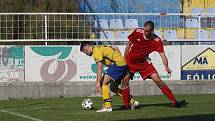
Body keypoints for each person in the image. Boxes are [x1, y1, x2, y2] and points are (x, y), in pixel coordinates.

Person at [124, 21, 186, 108]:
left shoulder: (157, 41)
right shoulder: (137, 32)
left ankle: (175, 102)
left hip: (143, 63)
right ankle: (126, 105)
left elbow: (162, 55)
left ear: (152, 30)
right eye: (145, 30)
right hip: (131, 61)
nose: (145, 33)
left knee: (157, 80)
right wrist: (125, 58)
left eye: (148, 31)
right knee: (125, 81)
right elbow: (129, 44)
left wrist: (166, 66)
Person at [80, 42, 135, 112]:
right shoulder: (100, 48)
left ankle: (107, 106)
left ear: (86, 48)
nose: (87, 54)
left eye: (85, 52)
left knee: (103, 83)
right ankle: (131, 100)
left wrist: (97, 83)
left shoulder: (96, 51)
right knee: (113, 88)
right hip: (122, 64)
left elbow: (99, 67)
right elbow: (115, 48)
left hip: (118, 65)